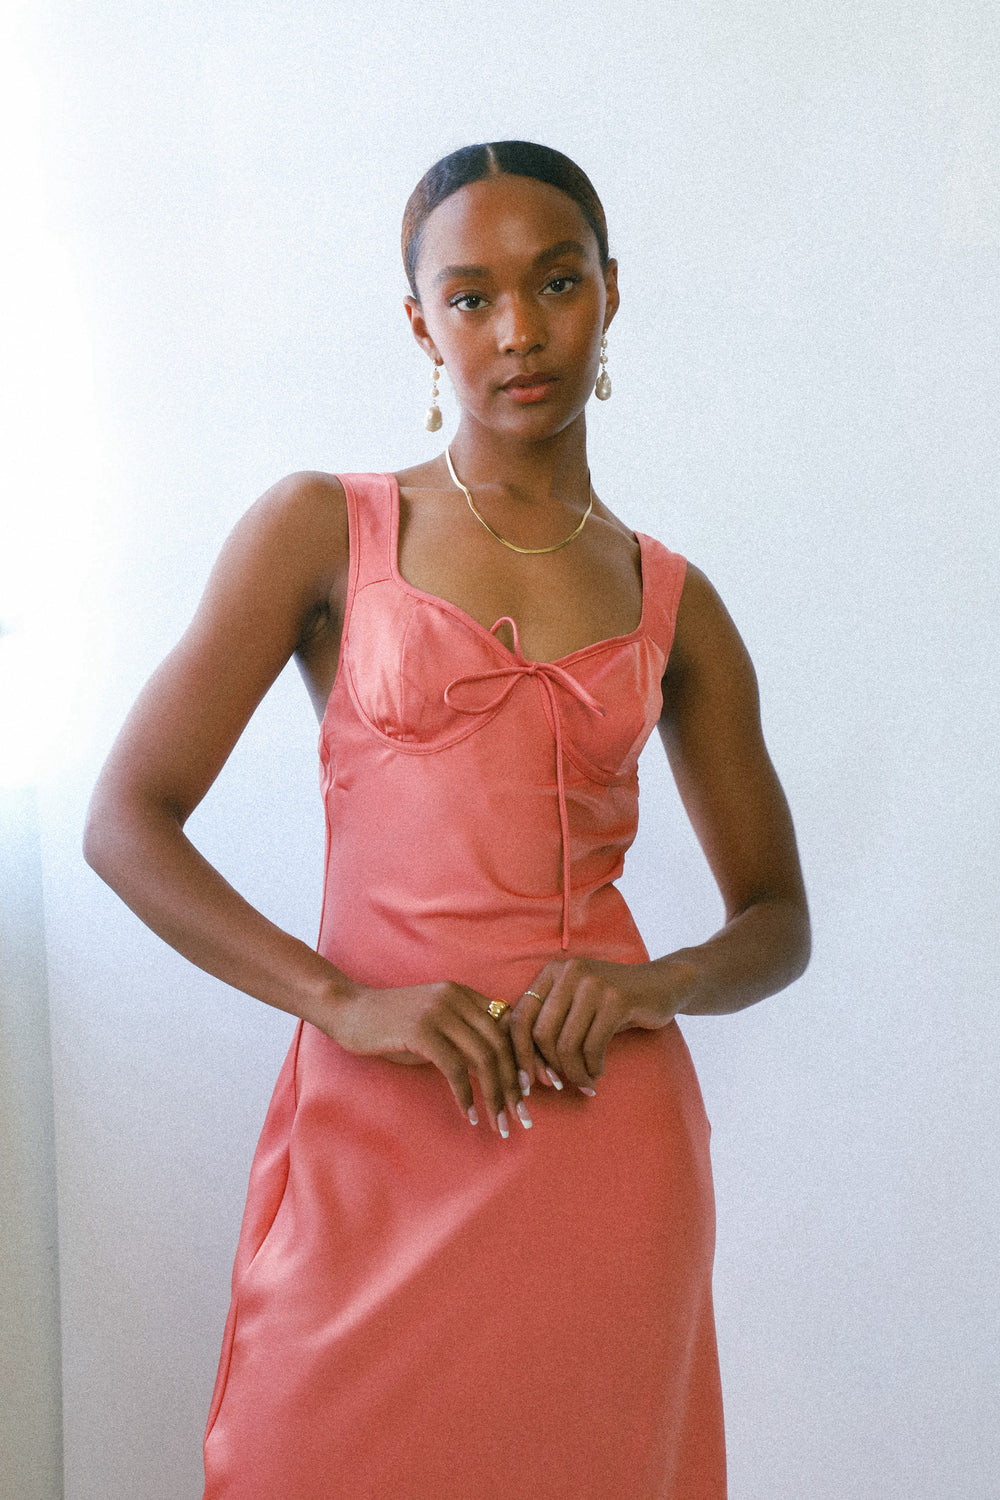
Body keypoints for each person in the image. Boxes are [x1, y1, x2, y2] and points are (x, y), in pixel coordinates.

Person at [84, 140, 810, 1499]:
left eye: (557, 282)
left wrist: (652, 984)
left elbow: (778, 920)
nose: (519, 330)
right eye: (471, 297)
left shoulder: (675, 600)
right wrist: (342, 1003)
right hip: (372, 1127)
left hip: (604, 1145)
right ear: (422, 323)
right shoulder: (323, 529)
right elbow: (127, 821)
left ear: (610, 293)